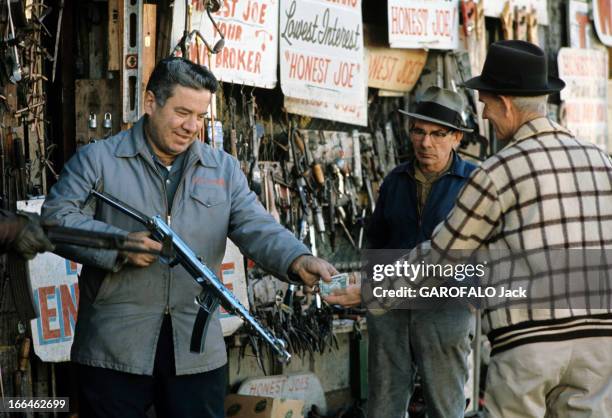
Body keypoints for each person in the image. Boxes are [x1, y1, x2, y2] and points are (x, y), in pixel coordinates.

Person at [42, 57, 337, 418]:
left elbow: (257, 226)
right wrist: (118, 244)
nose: (191, 126)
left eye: (200, 116)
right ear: (150, 103)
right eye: (183, 112)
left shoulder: (222, 168)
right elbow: (56, 222)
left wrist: (297, 259)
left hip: (196, 351)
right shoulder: (98, 160)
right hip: (114, 350)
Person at [330, 40, 612, 417]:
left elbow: (442, 254)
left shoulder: (498, 172)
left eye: (486, 105)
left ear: (506, 104)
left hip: (530, 343)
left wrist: (368, 287)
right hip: (600, 342)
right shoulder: (601, 161)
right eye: (419, 132)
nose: (486, 115)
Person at [364, 86, 477, 418]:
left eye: (438, 134)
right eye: (419, 131)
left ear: (457, 137)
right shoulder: (395, 180)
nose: (426, 143)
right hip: (391, 307)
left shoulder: (474, 182)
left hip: (447, 306)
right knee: (384, 401)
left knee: (445, 405)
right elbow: (377, 241)